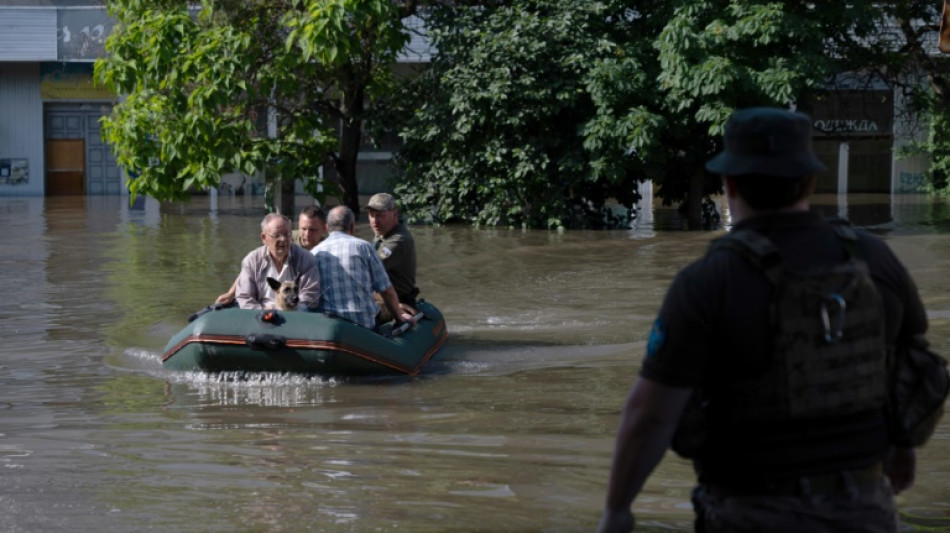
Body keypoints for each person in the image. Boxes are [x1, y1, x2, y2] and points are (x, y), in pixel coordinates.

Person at [598, 107, 934, 533]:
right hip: (864, 510)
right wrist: (904, 446)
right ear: (810, 181)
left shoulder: (707, 282)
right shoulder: (872, 257)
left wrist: (617, 509)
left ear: (730, 183)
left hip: (749, 512)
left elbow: (651, 414)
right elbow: (916, 364)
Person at [312, 206, 414, 329]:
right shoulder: (363, 247)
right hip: (363, 325)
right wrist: (400, 318)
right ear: (352, 227)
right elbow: (387, 291)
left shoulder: (314, 253)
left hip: (329, 326)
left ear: (326, 228)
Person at [216, 206, 327, 305]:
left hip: (294, 314)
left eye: (286, 234)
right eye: (277, 235)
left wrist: (288, 312)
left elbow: (309, 296)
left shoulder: (308, 258)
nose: (283, 239)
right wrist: (231, 293)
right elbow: (245, 291)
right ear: (264, 238)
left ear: (324, 229)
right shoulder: (253, 259)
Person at [364, 193, 419, 318]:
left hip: (396, 301)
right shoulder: (382, 234)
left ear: (394, 214)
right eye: (371, 215)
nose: (374, 221)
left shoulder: (398, 240)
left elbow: (366, 271)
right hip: (381, 298)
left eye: (380, 216)